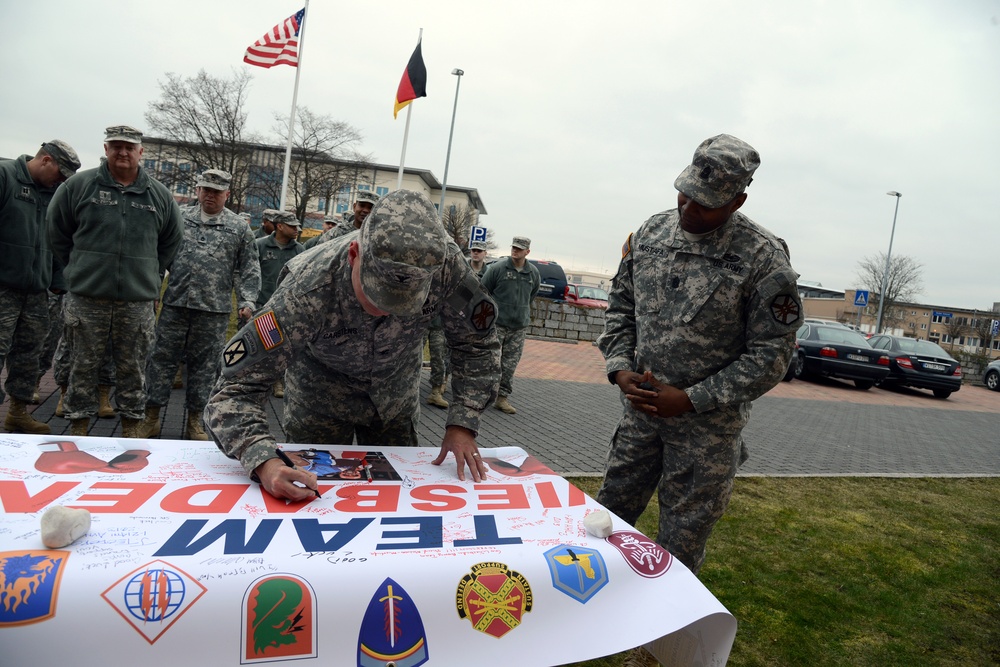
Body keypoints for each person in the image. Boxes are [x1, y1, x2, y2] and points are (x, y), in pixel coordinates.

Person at [597, 134, 800, 594]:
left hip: (705, 435)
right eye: (685, 192)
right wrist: (619, 366)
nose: (689, 208)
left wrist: (691, 399)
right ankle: (588, 609)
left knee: (679, 547)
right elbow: (620, 308)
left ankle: (659, 649)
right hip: (640, 418)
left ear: (738, 200)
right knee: (606, 520)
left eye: (706, 204)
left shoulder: (764, 258)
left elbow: (772, 356)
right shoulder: (650, 233)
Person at [204, 190, 500, 501]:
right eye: (376, 293)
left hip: (394, 398)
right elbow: (234, 388)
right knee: (312, 504)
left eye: (404, 302)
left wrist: (463, 423)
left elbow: (477, 345)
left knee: (398, 502)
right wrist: (263, 460)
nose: (386, 309)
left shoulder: (447, 268)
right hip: (319, 401)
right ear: (354, 253)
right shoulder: (307, 289)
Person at [48, 125, 184, 437]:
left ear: (141, 152)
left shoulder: (159, 196)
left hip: (135, 303)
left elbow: (170, 242)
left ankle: (132, 431)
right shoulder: (79, 186)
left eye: (129, 147)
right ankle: (78, 429)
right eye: (116, 146)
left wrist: (147, 273)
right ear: (106, 148)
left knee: (133, 369)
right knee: (81, 366)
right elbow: (57, 232)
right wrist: (79, 269)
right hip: (86, 298)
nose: (122, 152)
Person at [140, 169, 261, 440]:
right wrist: (152, 290)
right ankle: (151, 417)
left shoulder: (239, 228)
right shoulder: (179, 218)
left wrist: (247, 300)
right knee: (160, 361)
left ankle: (195, 420)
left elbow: (249, 268)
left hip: (213, 310)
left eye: (216, 191)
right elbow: (159, 257)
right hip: (176, 305)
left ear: (227, 194)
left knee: (206, 367)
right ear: (197, 190)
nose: (210, 195)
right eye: (205, 189)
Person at [0, 140, 81, 434]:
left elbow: (57, 240)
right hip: (3, 288)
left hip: (36, 291)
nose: (61, 181)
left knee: (29, 353)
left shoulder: (54, 195)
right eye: (60, 173)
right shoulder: (5, 176)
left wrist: (58, 280)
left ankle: (17, 412)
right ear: (45, 160)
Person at [480, 236, 541, 415]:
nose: (515, 251)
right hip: (497, 324)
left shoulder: (533, 273)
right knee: (491, 361)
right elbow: (484, 291)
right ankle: (482, 395)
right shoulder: (497, 268)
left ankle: (502, 398)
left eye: (520, 249)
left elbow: (532, 295)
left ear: (527, 252)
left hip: (518, 327)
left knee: (510, 364)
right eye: (514, 247)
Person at [254, 209, 304, 398]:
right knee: (258, 343)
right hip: (262, 303)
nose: (296, 230)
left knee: (282, 345)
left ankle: (277, 380)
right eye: (292, 226)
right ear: (280, 226)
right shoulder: (260, 245)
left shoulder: (299, 250)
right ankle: (254, 380)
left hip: (286, 306)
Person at [310, 189, 380, 246]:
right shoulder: (335, 233)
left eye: (370, 208)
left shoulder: (376, 237)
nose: (365, 210)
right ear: (354, 207)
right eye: (362, 205)